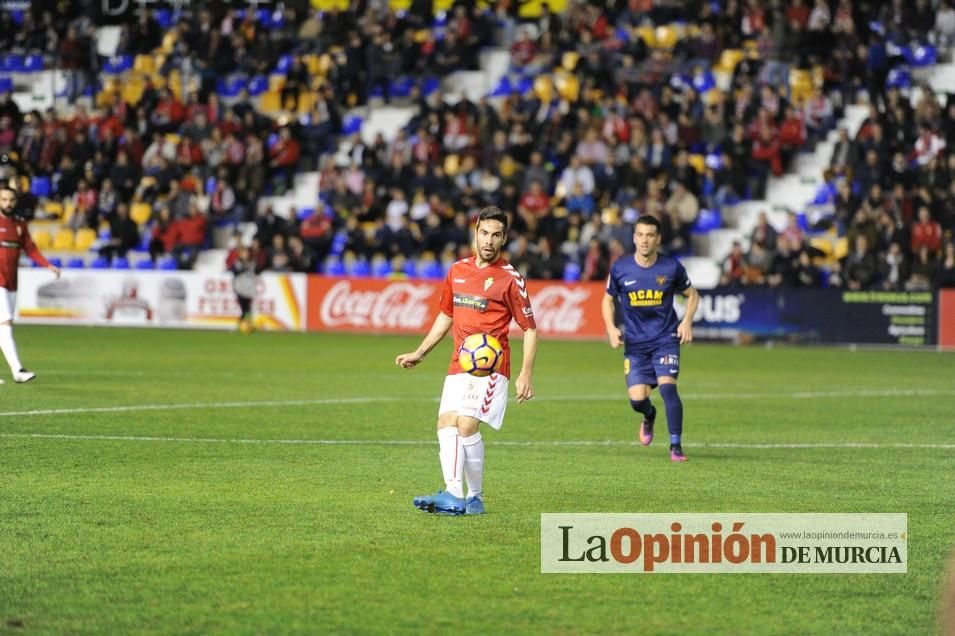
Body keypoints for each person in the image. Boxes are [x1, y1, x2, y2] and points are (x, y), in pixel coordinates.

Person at [395, 207, 538, 515]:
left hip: (491, 368)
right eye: (484, 233)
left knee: (466, 424)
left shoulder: (510, 279)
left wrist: (526, 373)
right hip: (459, 364)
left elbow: (530, 329)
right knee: (445, 423)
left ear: (504, 238)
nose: (488, 240)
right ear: (475, 233)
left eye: (496, 235)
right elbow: (447, 314)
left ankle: (466, 494)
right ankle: (461, 497)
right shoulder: (458, 270)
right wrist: (420, 352)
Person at [602, 214, 700, 462]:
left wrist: (687, 322)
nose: (645, 240)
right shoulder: (621, 268)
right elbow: (607, 299)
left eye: (650, 235)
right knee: (637, 400)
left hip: (665, 339)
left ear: (658, 239)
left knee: (668, 389)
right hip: (635, 344)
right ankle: (648, 415)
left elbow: (693, 295)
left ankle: (675, 447)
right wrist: (611, 328)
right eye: (640, 235)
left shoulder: (671, 268)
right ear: (634, 238)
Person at [0, 185, 60, 382]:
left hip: (11, 281)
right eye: (3, 200)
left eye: (11, 200)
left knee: (4, 325)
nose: (7, 204)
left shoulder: (19, 224)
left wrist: (47, 265)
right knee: (5, 323)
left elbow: (31, 249)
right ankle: (18, 370)